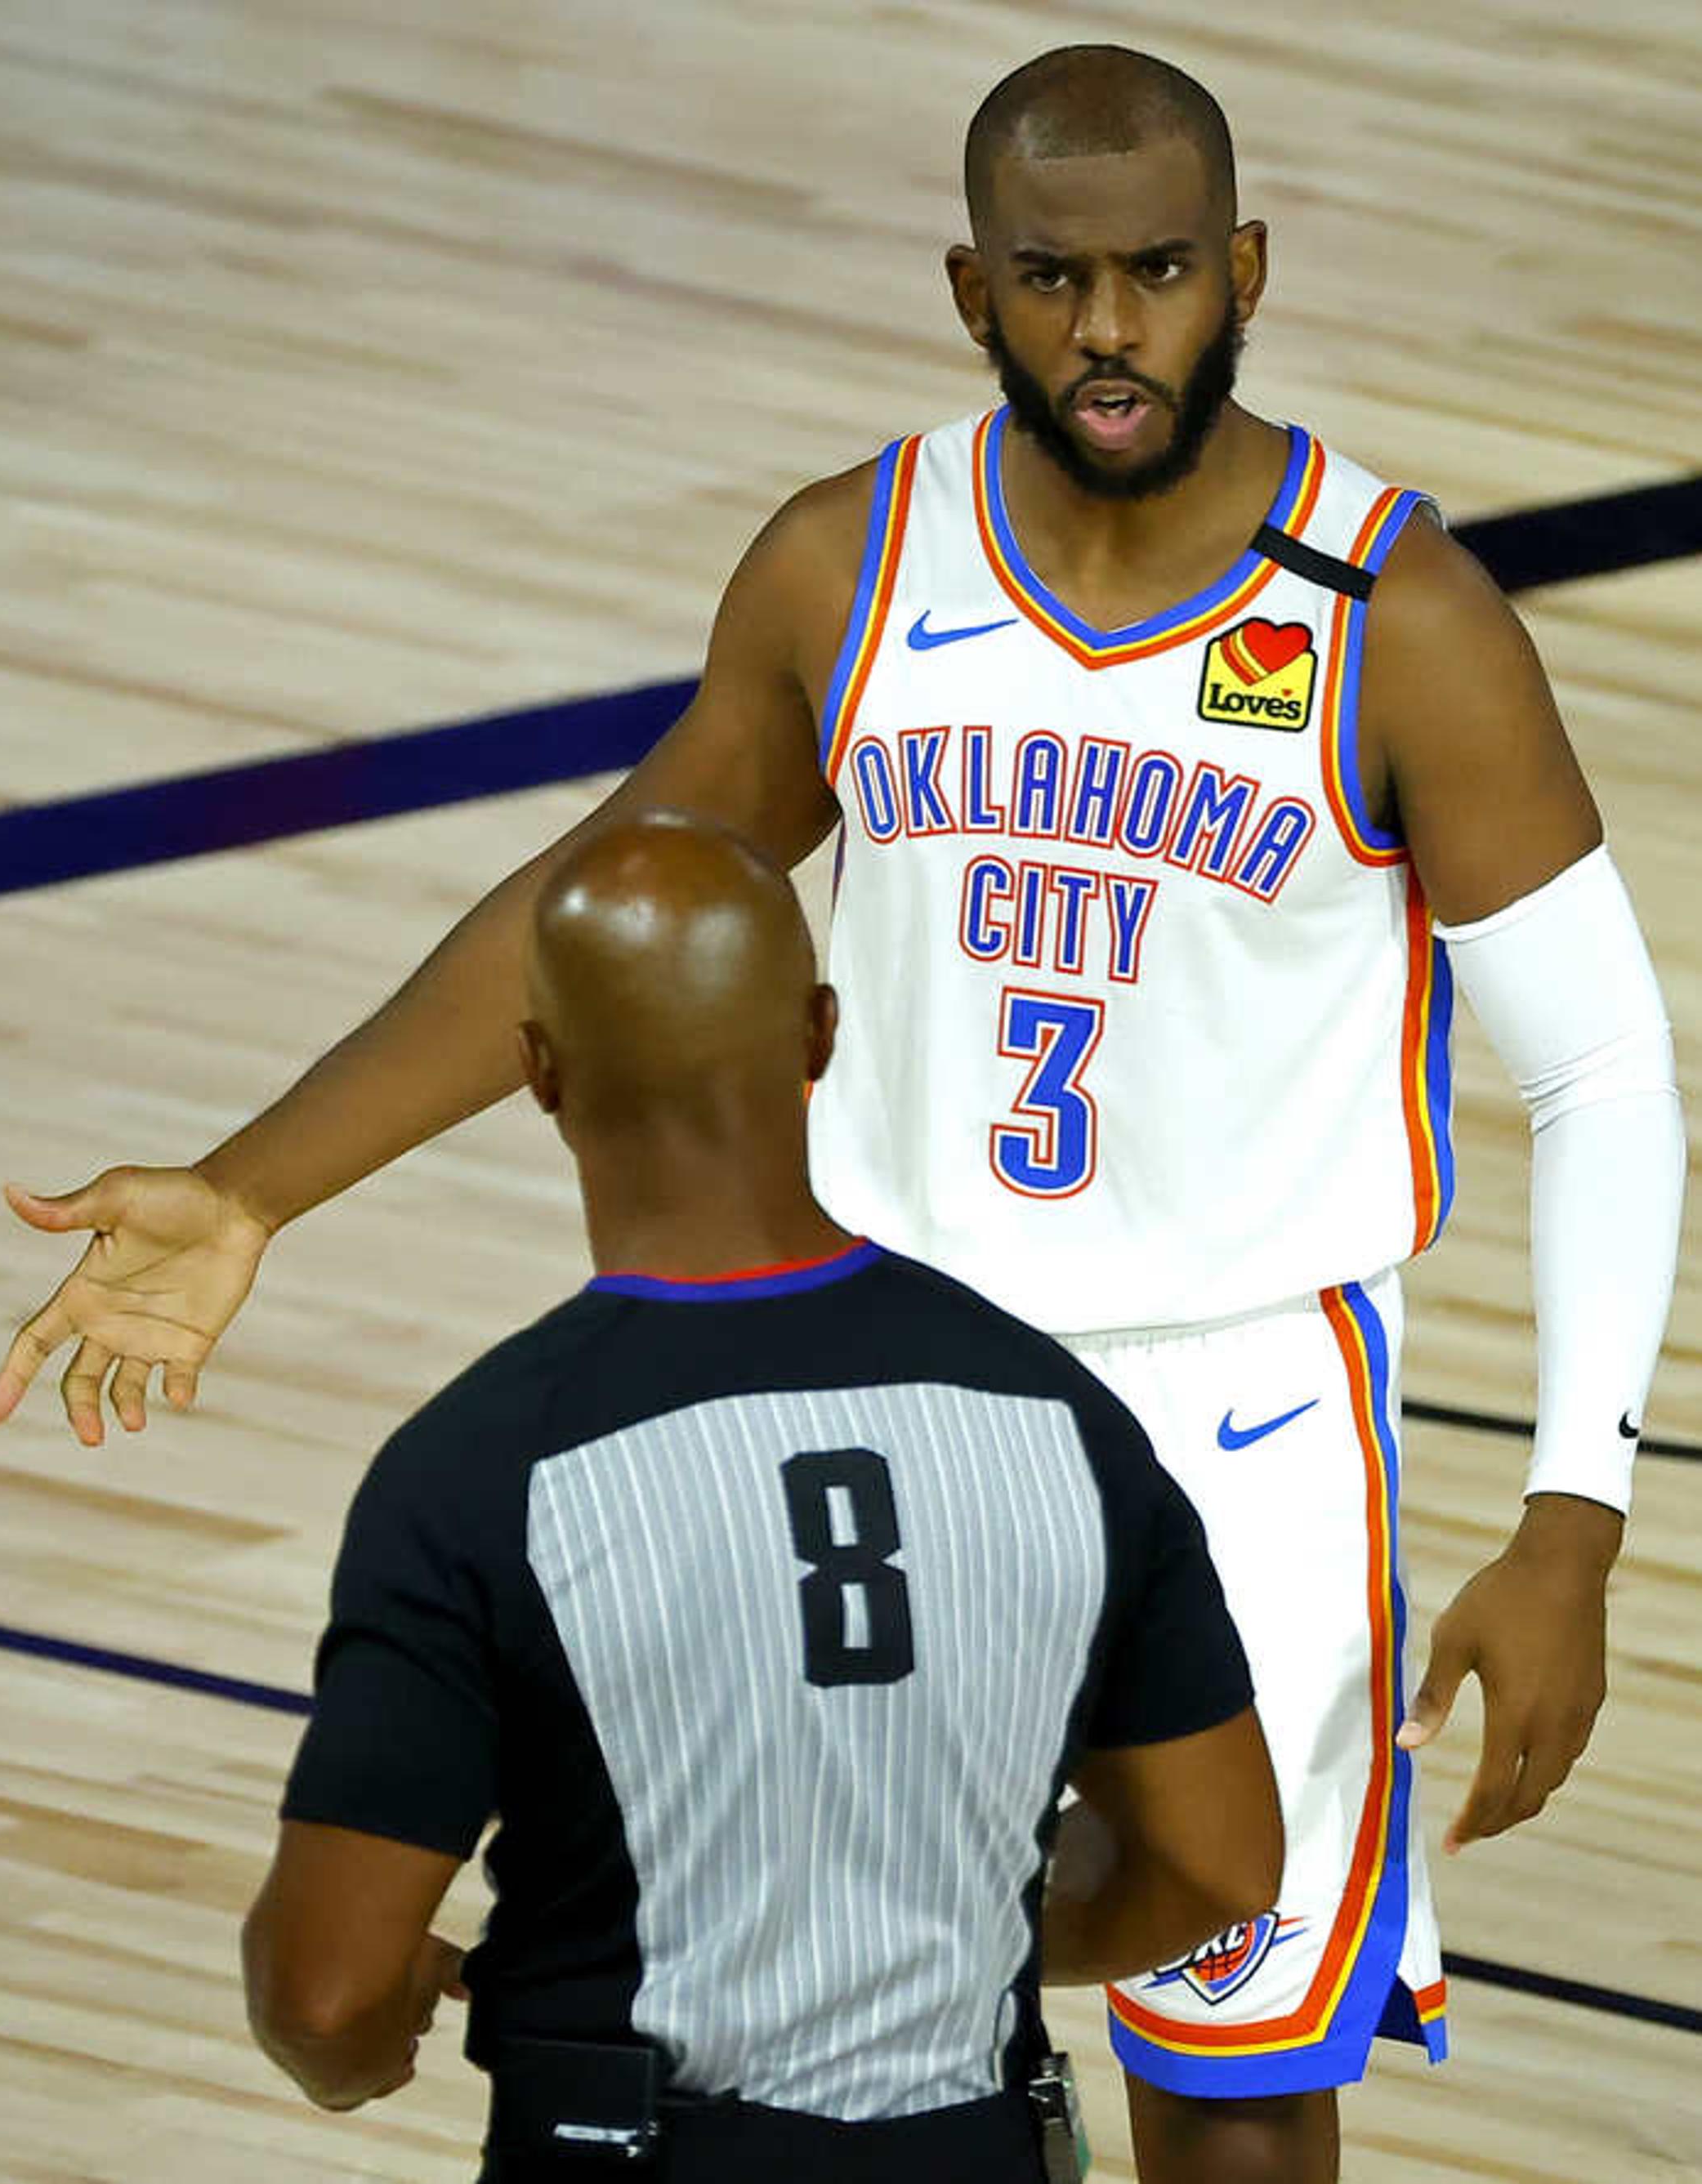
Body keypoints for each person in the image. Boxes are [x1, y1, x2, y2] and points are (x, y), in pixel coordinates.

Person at [0, 43, 1685, 2184]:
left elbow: (1604, 1067)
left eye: (1159, 269)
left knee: (1235, 2055)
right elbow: (603, 900)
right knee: (790, 1990)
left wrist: (1573, 1516)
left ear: (1241, 266)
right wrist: (254, 1188)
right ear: (970, 290)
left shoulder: (1394, 618)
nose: (1109, 326)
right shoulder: (852, 562)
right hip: (887, 1378)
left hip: (1241, 1393)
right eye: (1054, 277)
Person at [234, 815, 1283, 2182]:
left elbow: (324, 1993)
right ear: (818, 1035)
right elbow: (1217, 1862)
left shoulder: (478, 1471)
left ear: (539, 1070)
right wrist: (967, 1924)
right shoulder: (1066, 1425)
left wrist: (369, 2040)